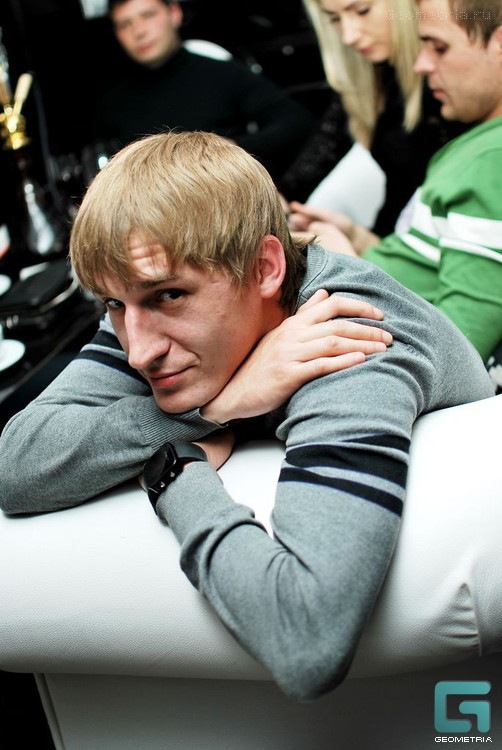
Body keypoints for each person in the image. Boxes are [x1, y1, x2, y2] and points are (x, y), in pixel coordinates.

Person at [0, 129, 493, 702]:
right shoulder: (151, 306)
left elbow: (307, 638)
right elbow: (15, 465)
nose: (138, 351)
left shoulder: (347, 343)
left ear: (264, 268)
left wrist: (176, 478)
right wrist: (215, 409)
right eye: (112, 303)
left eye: (169, 296)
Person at [289, 0, 502, 365]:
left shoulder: (490, 158)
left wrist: (347, 268)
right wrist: (358, 240)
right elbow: (434, 261)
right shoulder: (478, 146)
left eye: (439, 47)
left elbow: (459, 350)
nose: (422, 64)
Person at [278, 0, 465, 236]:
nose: (349, 36)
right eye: (335, 19)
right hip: (393, 240)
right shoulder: (371, 80)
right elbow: (320, 154)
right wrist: (273, 199)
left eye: (363, 11)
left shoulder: (451, 83)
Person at [91, 0, 317, 183]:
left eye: (148, 15)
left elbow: (297, 121)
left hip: (224, 200)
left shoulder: (221, 74)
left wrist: (230, 149)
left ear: (174, 13)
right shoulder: (113, 102)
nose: (139, 31)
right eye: (125, 24)